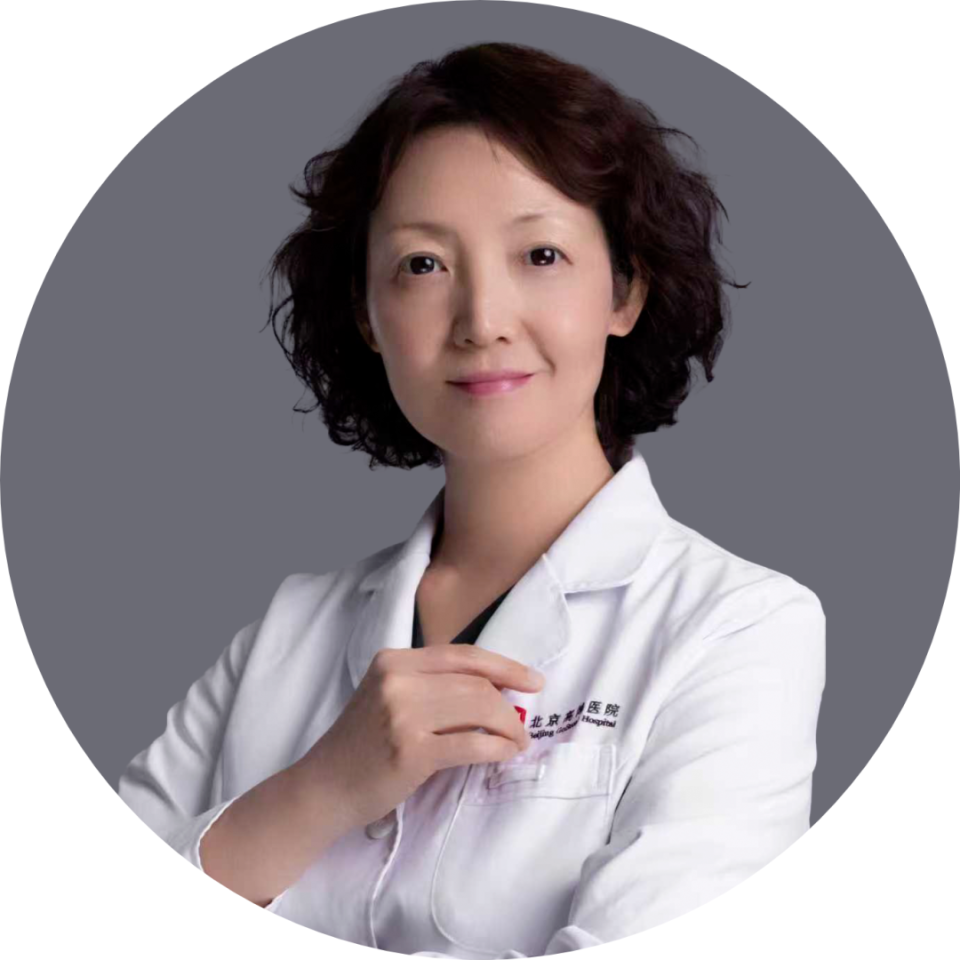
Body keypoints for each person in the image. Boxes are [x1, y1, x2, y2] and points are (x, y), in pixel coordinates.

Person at [118, 41, 826, 958]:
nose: (482, 319)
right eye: (422, 265)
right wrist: (321, 788)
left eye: (541, 254)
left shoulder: (739, 629)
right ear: (367, 314)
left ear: (625, 291)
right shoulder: (284, 633)